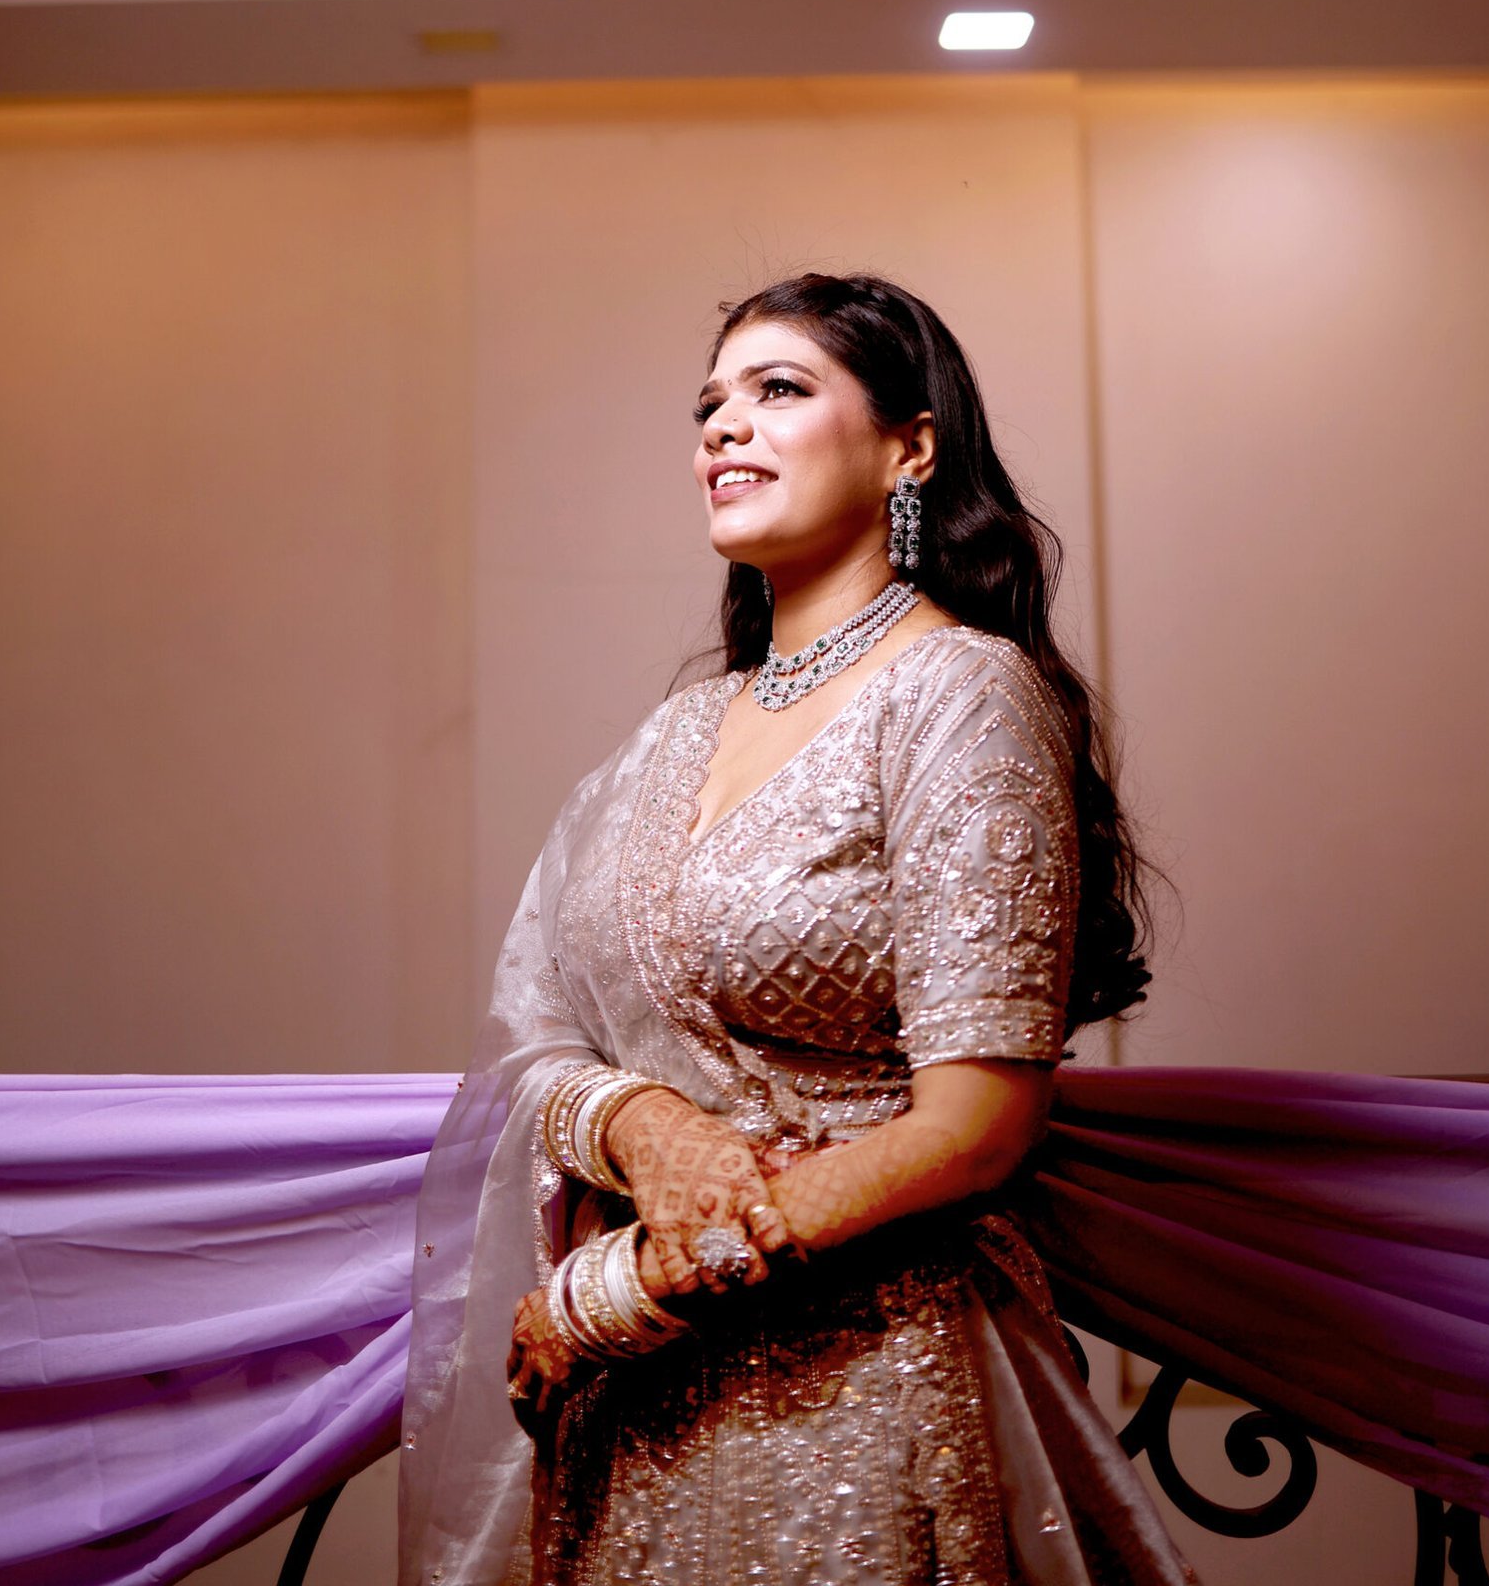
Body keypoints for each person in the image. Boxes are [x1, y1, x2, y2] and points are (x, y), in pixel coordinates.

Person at [399, 272, 1188, 1586]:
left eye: (779, 390)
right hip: (639, 1425)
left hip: (866, 1382)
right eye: (709, 405)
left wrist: (628, 1290)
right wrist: (640, 1123)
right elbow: (537, 1026)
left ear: (910, 448)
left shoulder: (962, 695)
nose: (724, 426)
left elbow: (979, 1124)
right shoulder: (672, 734)